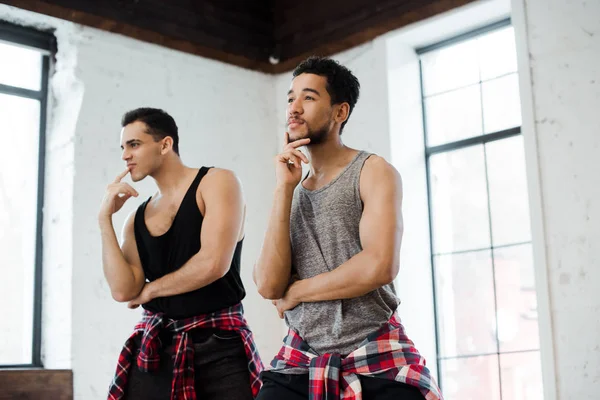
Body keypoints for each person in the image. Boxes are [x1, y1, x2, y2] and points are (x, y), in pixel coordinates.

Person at [253, 57, 442, 400]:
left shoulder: (372, 171)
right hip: (300, 359)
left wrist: (297, 292)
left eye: (308, 98)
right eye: (290, 98)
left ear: (340, 112)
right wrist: (283, 189)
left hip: (375, 354)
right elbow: (268, 284)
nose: (294, 108)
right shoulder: (290, 188)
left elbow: (379, 265)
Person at [99, 108, 262, 400]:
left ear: (165, 145)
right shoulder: (136, 218)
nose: (125, 155)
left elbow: (214, 264)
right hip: (156, 349)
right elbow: (124, 290)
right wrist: (104, 219)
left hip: (221, 347)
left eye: (134, 144)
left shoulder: (217, 182)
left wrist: (152, 291)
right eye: (122, 147)